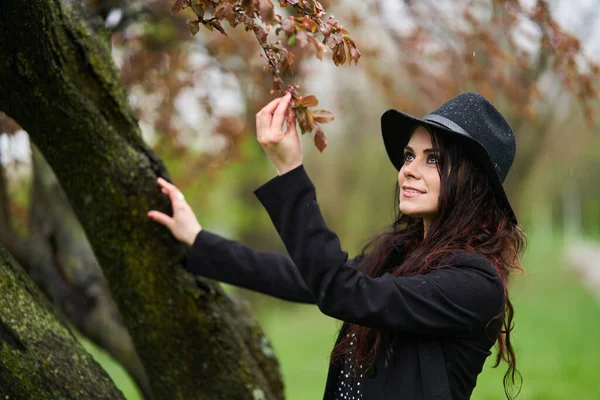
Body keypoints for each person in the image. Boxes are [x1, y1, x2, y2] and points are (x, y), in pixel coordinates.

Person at [147, 92, 525, 400]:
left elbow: (345, 293)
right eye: (410, 155)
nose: (409, 168)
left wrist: (290, 173)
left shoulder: (474, 284)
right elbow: (303, 278)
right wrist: (199, 241)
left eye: (434, 160)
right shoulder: (400, 252)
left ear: (473, 184)